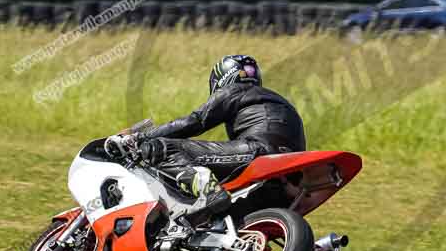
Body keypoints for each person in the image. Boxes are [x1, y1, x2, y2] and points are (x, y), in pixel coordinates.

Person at [104, 54, 305, 224]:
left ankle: (205, 187)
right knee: (224, 217)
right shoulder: (281, 102)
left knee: (162, 148)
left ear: (222, 78)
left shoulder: (234, 90)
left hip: (258, 153)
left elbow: (195, 121)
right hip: (287, 175)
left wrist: (139, 137)